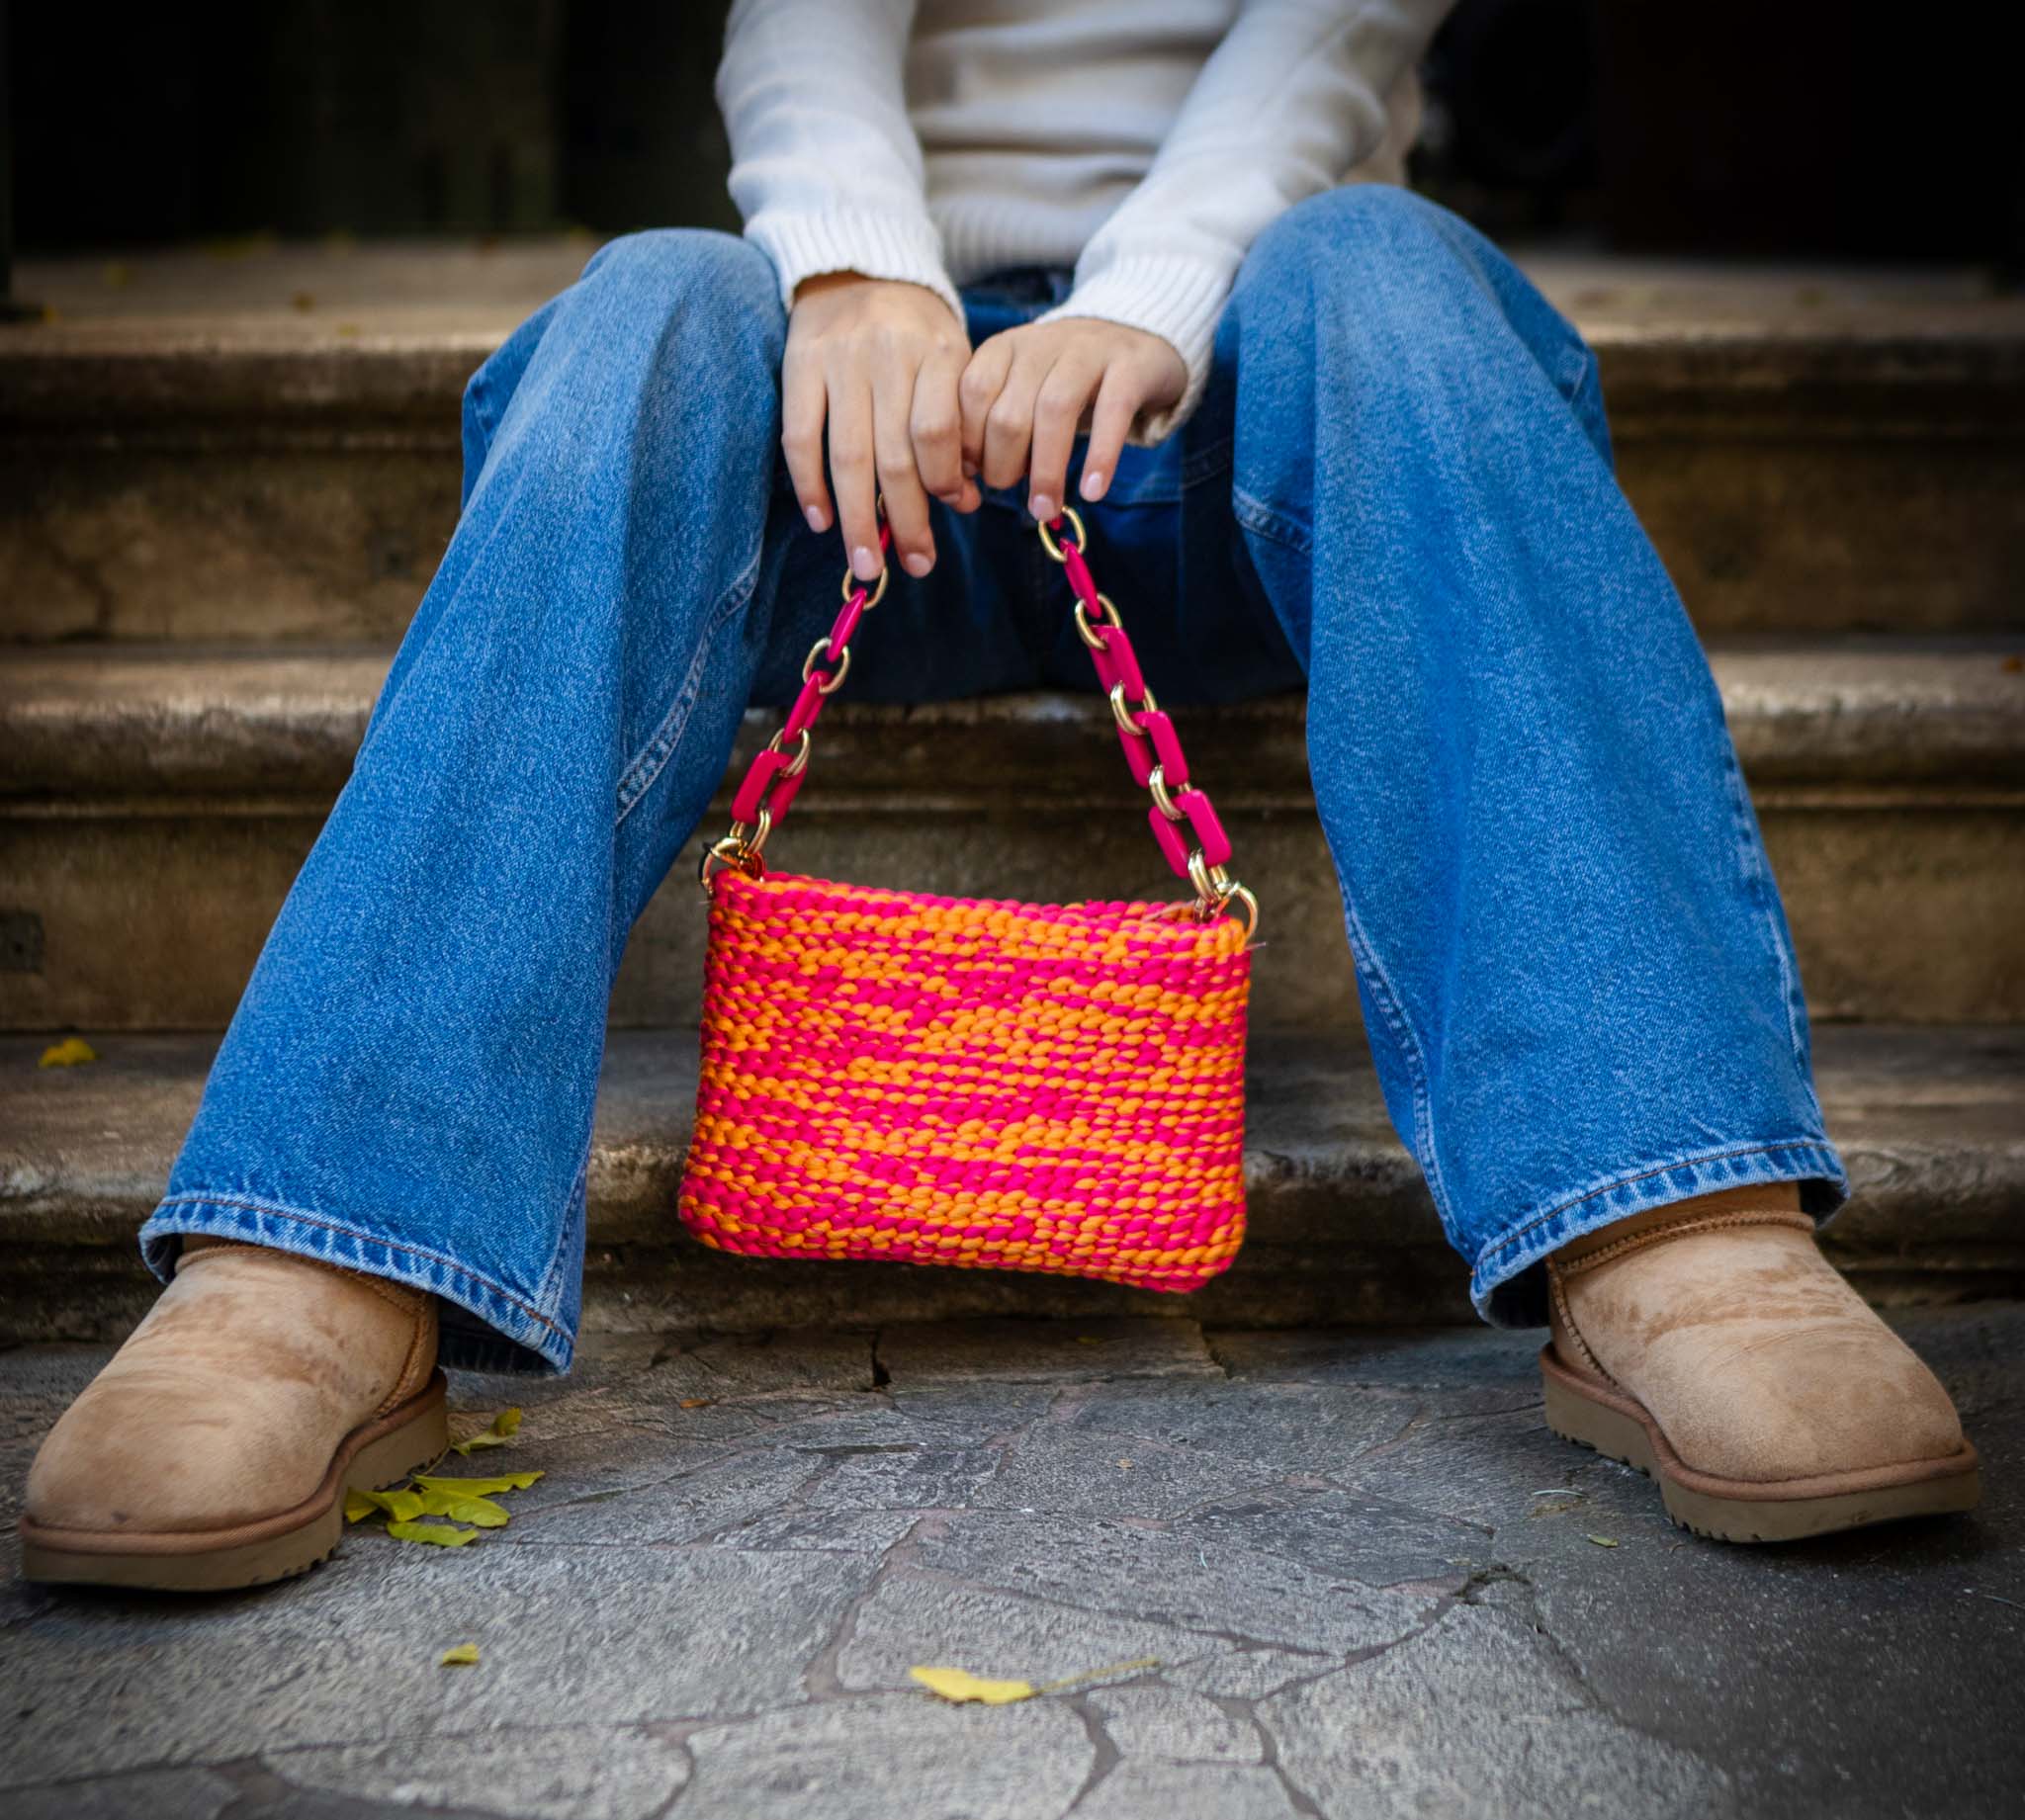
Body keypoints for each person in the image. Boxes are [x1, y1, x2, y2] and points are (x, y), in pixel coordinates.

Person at [21, 0, 1979, 1591]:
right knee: (657, 299)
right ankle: (319, 1251)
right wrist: (856, 270)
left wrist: (1150, 294)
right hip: (866, 432)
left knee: (1386, 265)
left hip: (1241, 398)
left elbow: (1341, 31)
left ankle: (1670, 1211)